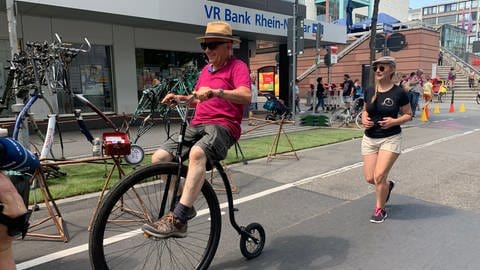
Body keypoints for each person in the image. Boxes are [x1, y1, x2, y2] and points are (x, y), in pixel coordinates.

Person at [141, 21, 251, 238]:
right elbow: (198, 99)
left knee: (197, 153)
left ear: (228, 45)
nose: (207, 50)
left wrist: (218, 92)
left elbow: (246, 96)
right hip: (198, 124)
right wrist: (181, 99)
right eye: (205, 46)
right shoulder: (205, 71)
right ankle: (186, 203)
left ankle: (179, 219)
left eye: (213, 45)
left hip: (223, 127)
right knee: (160, 158)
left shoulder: (238, 67)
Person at [361, 56, 412, 223]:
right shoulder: (370, 90)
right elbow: (365, 110)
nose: (377, 70)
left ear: (391, 69)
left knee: (379, 176)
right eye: (376, 68)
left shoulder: (399, 93)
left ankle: (379, 209)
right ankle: (388, 186)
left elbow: (408, 115)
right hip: (369, 138)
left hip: (390, 138)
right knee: (370, 178)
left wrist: (394, 121)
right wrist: (364, 118)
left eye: (382, 68)